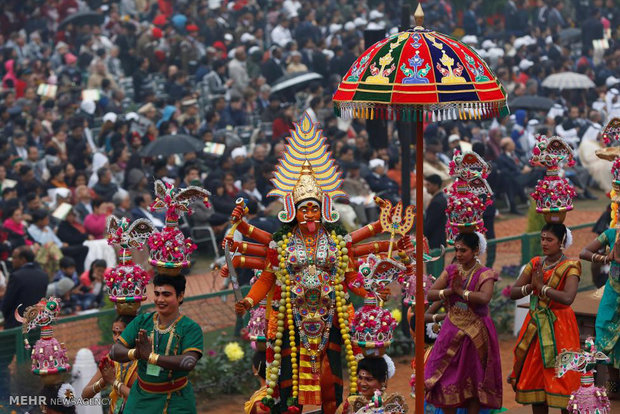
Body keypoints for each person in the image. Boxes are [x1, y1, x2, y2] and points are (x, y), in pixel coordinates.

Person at [424, 232, 502, 413]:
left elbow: (484, 298)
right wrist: (450, 291)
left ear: (475, 250)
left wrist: (461, 292)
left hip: (475, 335)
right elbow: (431, 293)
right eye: (456, 249)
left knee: (474, 382)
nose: (458, 254)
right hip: (450, 331)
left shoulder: (485, 274)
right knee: (445, 379)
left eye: (463, 250)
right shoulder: (451, 271)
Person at [508, 223, 581, 411]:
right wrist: (531, 287)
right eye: (542, 238)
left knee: (565, 379)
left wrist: (542, 288)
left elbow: (567, 298)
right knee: (536, 379)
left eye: (549, 239)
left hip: (561, 328)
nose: (544, 243)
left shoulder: (571, 266)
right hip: (536, 328)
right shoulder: (535, 263)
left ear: (562, 241)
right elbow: (513, 292)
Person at [110, 274, 203, 413]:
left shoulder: (190, 328)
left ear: (180, 296)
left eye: (166, 294)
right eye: (157, 294)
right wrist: (136, 353)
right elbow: (114, 351)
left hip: (176, 400)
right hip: (140, 398)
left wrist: (151, 357)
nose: (160, 299)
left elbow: (189, 362)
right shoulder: (142, 321)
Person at [0, 246, 48, 401]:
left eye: (14, 258)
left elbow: (6, 304)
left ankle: (5, 400)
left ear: (23, 260)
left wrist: (6, 316)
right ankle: (34, 395)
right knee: (31, 361)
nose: (12, 261)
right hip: (35, 326)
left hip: (15, 327)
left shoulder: (16, 276)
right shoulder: (43, 275)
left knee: (2, 362)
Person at [579, 224, 620, 398]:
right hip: (612, 297)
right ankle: (614, 386)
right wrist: (605, 258)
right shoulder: (612, 234)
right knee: (605, 335)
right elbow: (584, 252)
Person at [82, 315, 138, 413]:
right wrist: (103, 381)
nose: (116, 338)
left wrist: (113, 381)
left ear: (132, 333)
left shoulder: (142, 359)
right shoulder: (111, 358)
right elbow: (85, 396)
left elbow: (139, 398)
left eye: (121, 333)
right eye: (114, 333)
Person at [336, 356, 407, 414]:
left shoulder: (392, 406)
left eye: (369, 379)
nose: (362, 383)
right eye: (360, 378)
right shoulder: (350, 403)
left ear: (383, 381)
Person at [424, 174, 447, 250]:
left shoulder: (436, 202)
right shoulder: (441, 198)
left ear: (436, 185)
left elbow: (431, 223)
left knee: (434, 260)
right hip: (439, 237)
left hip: (436, 240)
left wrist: (423, 234)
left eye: (428, 185)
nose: (426, 187)